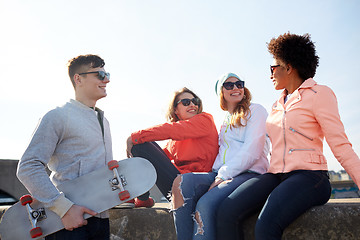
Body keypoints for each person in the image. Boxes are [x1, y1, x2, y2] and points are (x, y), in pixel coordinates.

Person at [216, 33, 360, 240]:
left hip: (310, 176)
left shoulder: (320, 94)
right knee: (226, 211)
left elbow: (341, 145)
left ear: (289, 68)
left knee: (265, 225)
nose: (270, 74)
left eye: (273, 68)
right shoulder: (277, 105)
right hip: (276, 175)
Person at [17, 54, 112, 240]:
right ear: (79, 79)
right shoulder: (58, 116)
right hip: (66, 223)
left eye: (107, 74)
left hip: (101, 219)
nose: (106, 80)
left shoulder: (104, 121)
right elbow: (28, 167)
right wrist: (64, 209)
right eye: (100, 75)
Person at [171, 73, 270, 240]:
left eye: (239, 84)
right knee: (180, 184)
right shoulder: (225, 121)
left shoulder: (256, 110)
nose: (235, 88)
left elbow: (253, 151)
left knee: (205, 204)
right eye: (229, 85)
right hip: (220, 173)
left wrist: (222, 176)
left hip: (247, 173)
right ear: (221, 93)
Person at [126, 87, 218, 208]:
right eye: (186, 102)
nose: (192, 105)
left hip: (197, 186)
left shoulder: (205, 120)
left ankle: (141, 198)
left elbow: (173, 129)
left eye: (195, 101)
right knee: (143, 147)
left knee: (140, 142)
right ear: (175, 109)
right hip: (176, 184)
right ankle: (139, 197)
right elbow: (154, 158)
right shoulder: (174, 140)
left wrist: (135, 137)